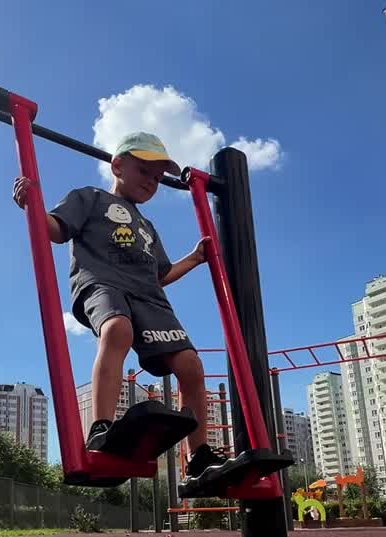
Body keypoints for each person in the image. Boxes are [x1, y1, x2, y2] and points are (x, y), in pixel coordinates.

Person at [13, 131, 233, 487]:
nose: (151, 182)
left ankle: (199, 455)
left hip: (149, 296)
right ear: (117, 165)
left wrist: (194, 259)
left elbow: (161, 275)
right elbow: (55, 230)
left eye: (158, 178)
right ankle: (101, 426)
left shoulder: (148, 226)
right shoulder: (90, 198)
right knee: (117, 329)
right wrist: (32, 206)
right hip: (103, 283)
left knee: (191, 365)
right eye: (144, 171)